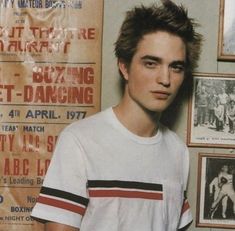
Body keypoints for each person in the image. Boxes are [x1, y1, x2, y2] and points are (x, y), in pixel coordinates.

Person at [31, 1, 202, 230]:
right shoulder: (80, 141)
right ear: (124, 66)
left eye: (176, 67)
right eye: (151, 63)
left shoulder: (177, 151)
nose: (165, 79)